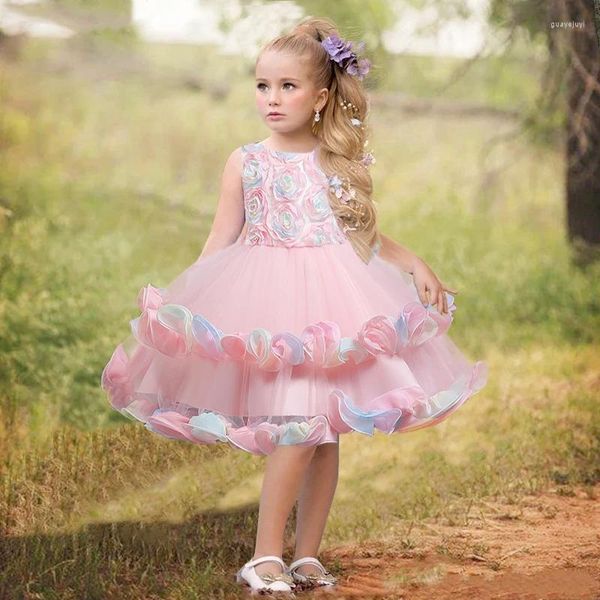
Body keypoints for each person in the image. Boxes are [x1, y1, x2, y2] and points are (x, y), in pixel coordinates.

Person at [101, 15, 488, 594]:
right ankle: (263, 557)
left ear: (321, 96)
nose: (272, 99)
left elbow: (362, 236)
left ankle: (306, 555)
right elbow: (220, 239)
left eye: (288, 87)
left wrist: (415, 264)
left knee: (324, 431)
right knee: (298, 428)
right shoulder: (247, 161)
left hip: (332, 306)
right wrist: (190, 305)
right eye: (263, 86)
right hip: (271, 306)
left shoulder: (335, 163)